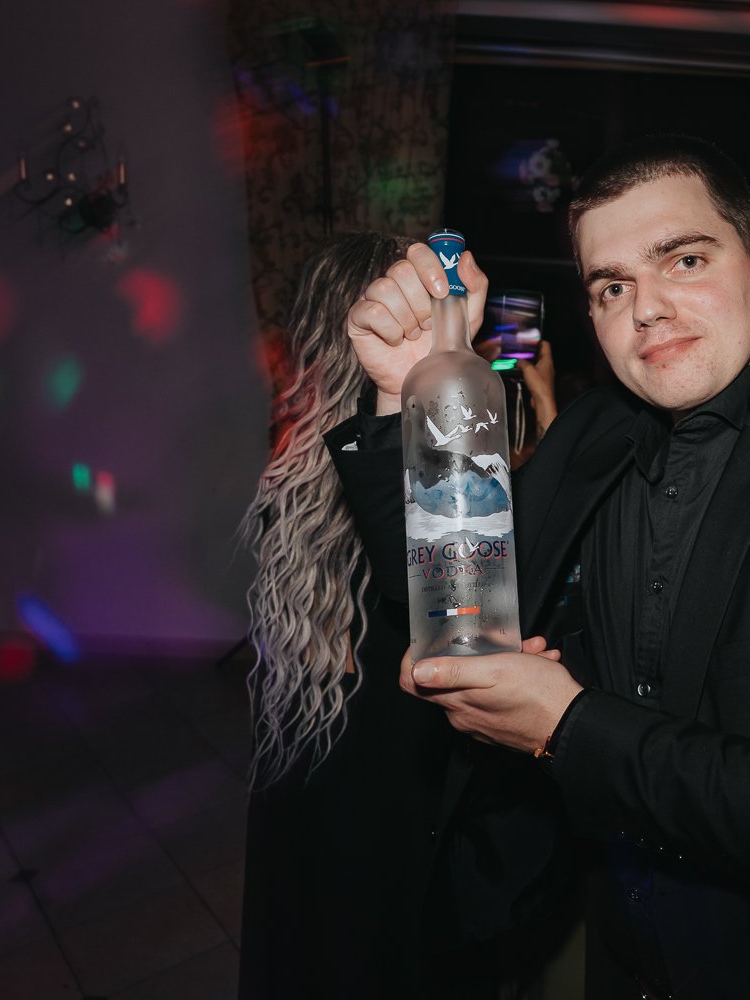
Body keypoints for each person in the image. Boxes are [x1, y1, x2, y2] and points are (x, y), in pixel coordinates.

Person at [338, 135, 750, 997]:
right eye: (611, 287)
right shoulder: (594, 431)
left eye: (684, 259)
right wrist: (404, 393)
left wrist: (568, 728)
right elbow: (446, 591)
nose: (645, 308)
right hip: (618, 949)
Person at [238, 232, 560, 999]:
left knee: (311, 940)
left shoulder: (300, 461)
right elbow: (478, 561)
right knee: (387, 944)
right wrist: (544, 407)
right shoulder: (404, 460)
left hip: (313, 756)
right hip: (396, 764)